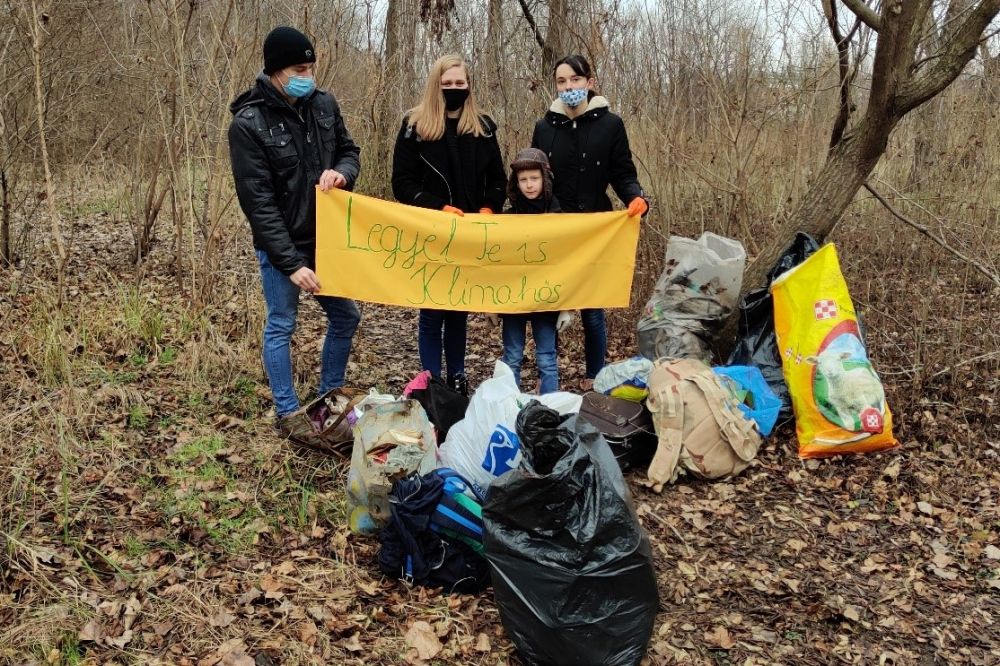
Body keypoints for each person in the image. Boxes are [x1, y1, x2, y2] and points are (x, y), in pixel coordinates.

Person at [228, 26, 361, 448]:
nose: (308, 75)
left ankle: (329, 396)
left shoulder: (324, 104)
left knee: (346, 317)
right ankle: (287, 412)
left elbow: (349, 151)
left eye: (310, 67)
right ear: (275, 71)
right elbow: (258, 204)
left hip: (326, 241)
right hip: (281, 248)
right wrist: (291, 263)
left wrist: (343, 173)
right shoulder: (248, 123)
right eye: (299, 69)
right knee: (282, 324)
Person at [531, 54, 648, 390]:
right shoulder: (544, 128)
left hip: (598, 229)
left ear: (590, 82)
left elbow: (623, 173)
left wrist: (636, 198)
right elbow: (535, 178)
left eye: (575, 80)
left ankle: (594, 374)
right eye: (562, 82)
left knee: (592, 311)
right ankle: (548, 375)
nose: (569, 87)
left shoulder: (611, 125)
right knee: (550, 304)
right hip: (556, 229)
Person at [392, 54, 506, 394]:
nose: (454, 89)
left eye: (460, 83)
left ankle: (457, 375)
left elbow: (498, 180)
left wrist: (490, 207)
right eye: (447, 83)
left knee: (458, 310)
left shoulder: (483, 127)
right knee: (432, 310)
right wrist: (436, 207)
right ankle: (430, 379)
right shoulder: (414, 127)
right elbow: (403, 182)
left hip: (471, 233)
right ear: (435, 85)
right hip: (432, 230)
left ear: (468, 86)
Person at [499, 148, 574, 394]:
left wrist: (567, 305)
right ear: (515, 183)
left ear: (545, 179)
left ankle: (549, 411)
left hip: (547, 299)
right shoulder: (506, 220)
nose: (529, 185)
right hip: (513, 299)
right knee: (511, 358)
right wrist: (490, 304)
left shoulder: (559, 218)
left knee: (547, 359)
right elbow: (494, 265)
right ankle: (510, 408)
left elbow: (568, 264)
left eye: (534, 178)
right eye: (523, 180)